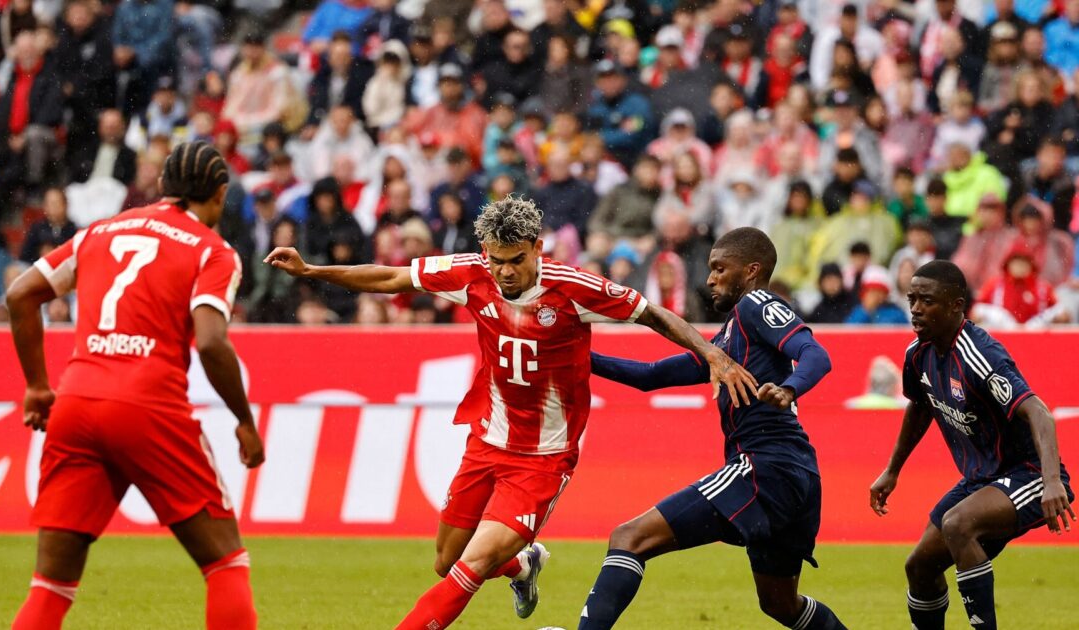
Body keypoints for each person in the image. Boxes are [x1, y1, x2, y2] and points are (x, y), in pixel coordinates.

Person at [263, 196, 753, 630]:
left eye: (517, 260)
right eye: (497, 262)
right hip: (487, 440)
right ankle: (523, 566)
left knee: (469, 567)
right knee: (446, 558)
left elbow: (654, 313)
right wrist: (312, 272)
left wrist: (712, 353)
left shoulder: (574, 287)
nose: (506, 272)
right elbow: (393, 276)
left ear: (538, 248)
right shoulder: (473, 272)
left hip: (542, 459)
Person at [4, 142, 264, 629]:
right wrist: (245, 422)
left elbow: (20, 295)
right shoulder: (213, 251)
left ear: (163, 186)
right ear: (220, 194)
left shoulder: (98, 233)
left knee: (51, 585)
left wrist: (38, 387)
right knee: (225, 562)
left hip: (77, 402)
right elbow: (210, 343)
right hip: (149, 405)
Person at [575, 227, 844, 630]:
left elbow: (815, 354)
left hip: (765, 467)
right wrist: (577, 356)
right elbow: (650, 375)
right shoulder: (731, 335)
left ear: (751, 270)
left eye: (720, 268)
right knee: (780, 604)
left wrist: (789, 389)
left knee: (629, 538)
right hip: (796, 475)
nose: (709, 279)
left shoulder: (757, 303)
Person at [870, 260, 1075, 630]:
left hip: (1025, 473)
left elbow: (1039, 412)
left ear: (955, 305)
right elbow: (920, 407)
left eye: (927, 300)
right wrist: (893, 470)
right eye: (912, 298)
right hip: (981, 479)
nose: (915, 308)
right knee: (919, 566)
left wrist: (1051, 482)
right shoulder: (917, 354)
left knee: (958, 523)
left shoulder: (980, 354)